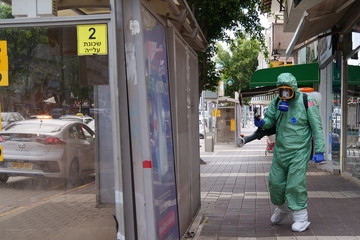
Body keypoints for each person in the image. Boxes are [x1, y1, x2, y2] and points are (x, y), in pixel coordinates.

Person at [254, 72, 325, 232]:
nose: (285, 94)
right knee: (275, 183)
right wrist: (262, 122)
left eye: (288, 90)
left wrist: (320, 150)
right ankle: (283, 208)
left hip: (299, 151)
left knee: (295, 184)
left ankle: (301, 218)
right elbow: (271, 119)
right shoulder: (277, 102)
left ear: (293, 88)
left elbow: (317, 127)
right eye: (282, 90)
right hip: (281, 151)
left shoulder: (307, 101)